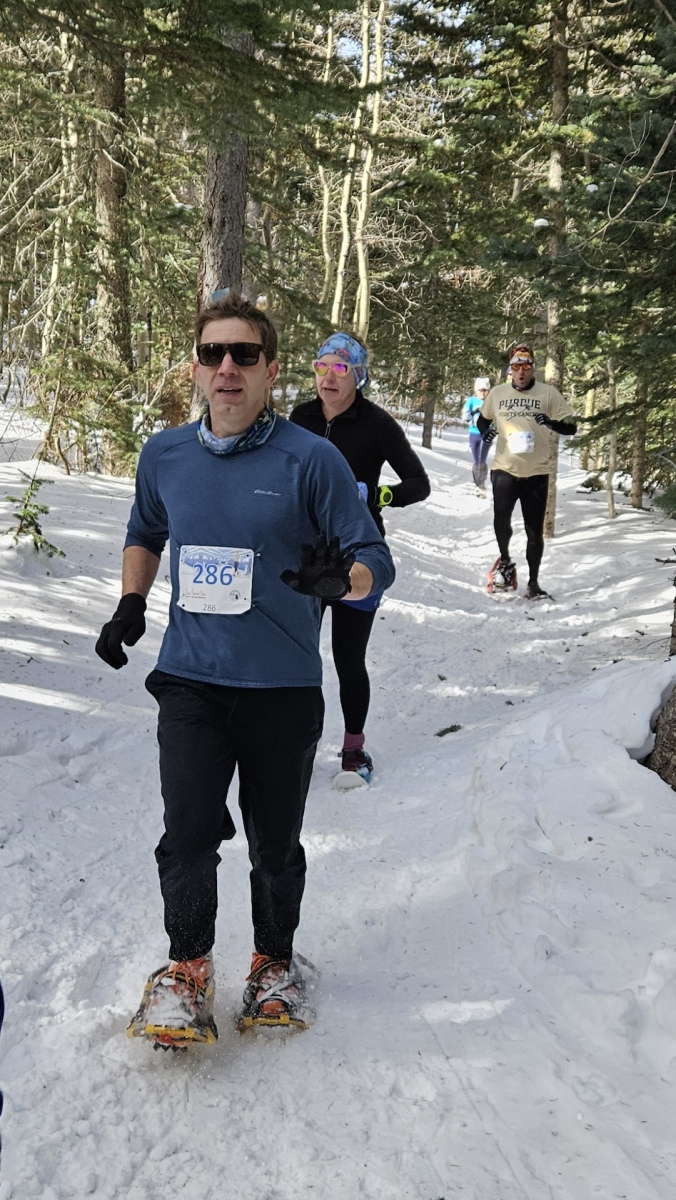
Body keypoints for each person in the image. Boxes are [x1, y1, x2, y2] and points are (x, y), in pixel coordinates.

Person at [95, 292, 394, 1044]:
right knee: (188, 833)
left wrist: (343, 581)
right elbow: (146, 532)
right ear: (197, 369)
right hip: (191, 679)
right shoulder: (164, 455)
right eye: (213, 354)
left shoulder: (312, 459)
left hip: (281, 686)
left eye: (245, 355)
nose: (227, 367)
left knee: (274, 844)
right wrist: (130, 602)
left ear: (270, 370)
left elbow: (375, 560)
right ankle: (187, 969)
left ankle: (273, 964)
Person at [290, 332, 430, 787]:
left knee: (348, 658)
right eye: (321, 367)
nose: (328, 377)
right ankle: (296, 746)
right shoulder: (301, 417)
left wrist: (376, 495)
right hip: (308, 554)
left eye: (340, 368)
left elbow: (419, 483)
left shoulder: (377, 424)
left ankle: (353, 749)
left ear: (359, 376)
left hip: (358, 558)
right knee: (299, 655)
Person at [476, 343, 577, 600]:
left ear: (533, 369)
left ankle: (533, 582)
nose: (521, 372)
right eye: (517, 367)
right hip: (504, 470)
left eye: (526, 367)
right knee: (501, 521)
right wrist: (486, 432)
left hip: (536, 472)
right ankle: (505, 562)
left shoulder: (548, 393)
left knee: (534, 530)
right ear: (510, 370)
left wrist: (551, 423)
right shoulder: (497, 393)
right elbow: (482, 420)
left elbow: (571, 427)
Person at [461, 376, 491, 495]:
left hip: (486, 434)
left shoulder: (491, 401)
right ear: (475, 390)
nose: (482, 392)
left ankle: (481, 485)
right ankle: (478, 484)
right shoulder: (471, 401)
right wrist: (474, 412)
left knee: (481, 458)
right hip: (474, 433)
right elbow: (465, 417)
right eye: (480, 390)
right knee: (476, 459)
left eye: (485, 390)